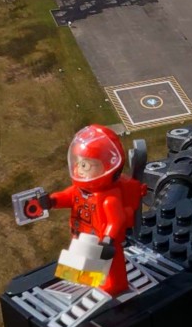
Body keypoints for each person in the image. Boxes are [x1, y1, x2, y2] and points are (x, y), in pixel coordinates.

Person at [26, 125, 147, 296]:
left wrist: (108, 239)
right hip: (84, 233)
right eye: (79, 163)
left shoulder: (108, 198)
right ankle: (86, 281)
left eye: (87, 165)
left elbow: (116, 220)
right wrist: (51, 201)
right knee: (80, 259)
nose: (80, 170)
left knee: (112, 263)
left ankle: (116, 286)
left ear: (107, 166)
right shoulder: (80, 191)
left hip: (103, 239)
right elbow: (67, 197)